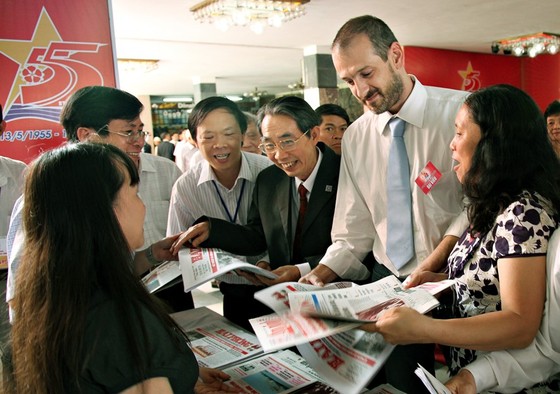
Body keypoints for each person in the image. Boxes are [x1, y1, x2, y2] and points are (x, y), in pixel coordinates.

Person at [299, 15, 469, 392]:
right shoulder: (357, 136)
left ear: (396, 55)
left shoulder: (460, 113)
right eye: (349, 81)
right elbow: (353, 228)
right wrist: (319, 275)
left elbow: (478, 204)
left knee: (471, 378)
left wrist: (434, 261)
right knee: (403, 385)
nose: (360, 90)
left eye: (366, 73)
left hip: (456, 276)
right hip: (389, 281)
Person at [363, 85, 560, 393]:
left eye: (459, 133)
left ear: (493, 144)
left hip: (510, 383)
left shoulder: (523, 214)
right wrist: (441, 281)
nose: (451, 145)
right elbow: (493, 278)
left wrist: (425, 330)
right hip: (474, 377)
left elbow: (519, 322)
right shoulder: (493, 203)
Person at [4, 143, 233, 393]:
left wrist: (180, 378)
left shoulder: (52, 297)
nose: (143, 206)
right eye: (134, 193)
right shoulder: (120, 322)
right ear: (103, 211)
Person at [172, 96, 355, 330]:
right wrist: (212, 230)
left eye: (287, 141)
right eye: (269, 145)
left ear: (313, 135)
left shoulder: (345, 173)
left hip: (341, 306)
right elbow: (257, 235)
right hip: (285, 309)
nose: (279, 155)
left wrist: (300, 270)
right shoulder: (270, 179)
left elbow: (359, 244)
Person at [6, 86, 192, 313]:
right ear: (86, 135)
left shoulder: (166, 171)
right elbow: (22, 294)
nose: (138, 141)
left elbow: (116, 267)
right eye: (128, 132)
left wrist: (151, 255)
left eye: (140, 131)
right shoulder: (46, 196)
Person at [166, 96, 271, 325]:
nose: (219, 144)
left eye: (229, 134)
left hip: (277, 287)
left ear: (243, 135)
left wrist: (267, 262)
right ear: (194, 140)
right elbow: (178, 249)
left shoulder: (269, 172)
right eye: (208, 137)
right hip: (232, 293)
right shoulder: (186, 188)